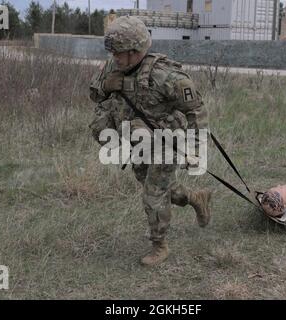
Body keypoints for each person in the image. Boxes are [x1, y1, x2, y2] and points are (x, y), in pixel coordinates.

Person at [88, 16, 212, 266]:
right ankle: (197, 198)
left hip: (167, 141)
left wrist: (195, 149)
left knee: (153, 195)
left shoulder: (166, 76)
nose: (114, 57)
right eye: (112, 52)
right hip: (137, 143)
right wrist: (106, 87)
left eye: (119, 53)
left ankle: (159, 245)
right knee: (166, 190)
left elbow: (196, 110)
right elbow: (94, 95)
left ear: (135, 51)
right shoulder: (113, 68)